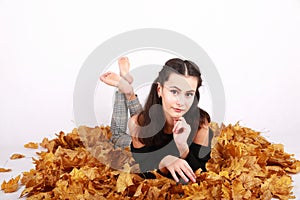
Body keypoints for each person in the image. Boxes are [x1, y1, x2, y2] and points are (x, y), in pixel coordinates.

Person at [100, 57, 213, 183]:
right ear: (160, 90)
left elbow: (201, 173)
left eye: (188, 94)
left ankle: (127, 89)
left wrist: (183, 148)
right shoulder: (136, 123)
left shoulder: (200, 123)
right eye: (174, 91)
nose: (181, 102)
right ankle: (125, 90)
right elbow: (143, 167)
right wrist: (165, 161)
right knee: (118, 136)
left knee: (143, 121)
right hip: (137, 142)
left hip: (149, 133)